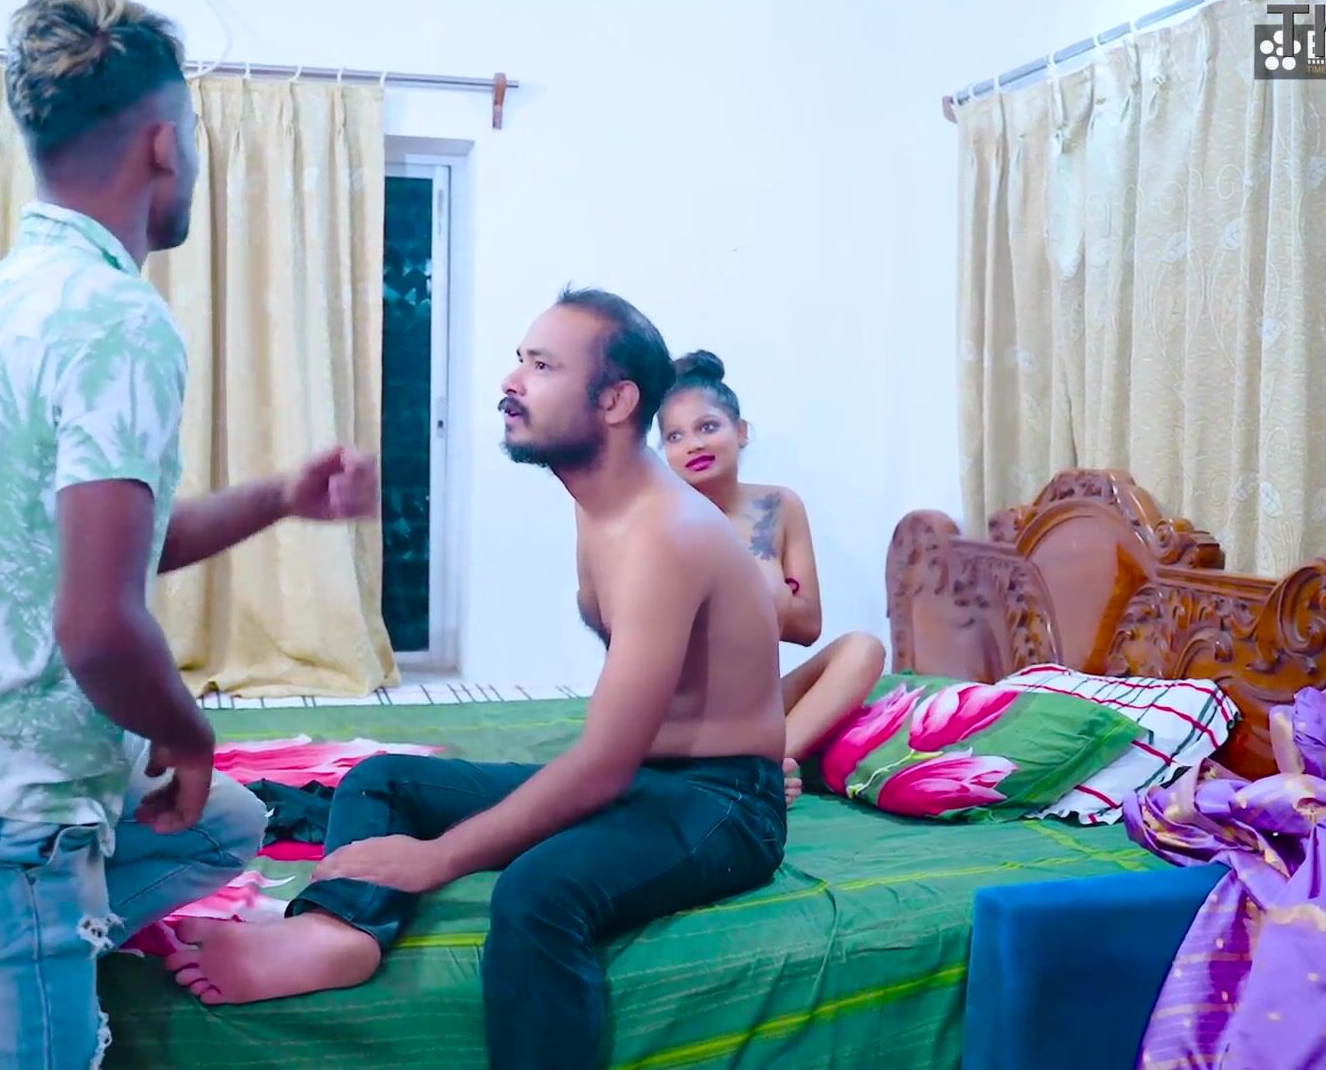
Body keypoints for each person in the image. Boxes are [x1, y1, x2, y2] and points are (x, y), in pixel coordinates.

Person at [0, 0, 378, 1066]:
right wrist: (188, 732)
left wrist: (279, 495)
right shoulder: (119, 320)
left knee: (225, 824)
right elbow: (95, 625)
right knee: (189, 789)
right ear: (165, 143)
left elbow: (100, 551)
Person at [163, 288, 789, 1069]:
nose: (511, 381)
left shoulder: (666, 534)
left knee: (538, 892)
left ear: (614, 401)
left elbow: (602, 766)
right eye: (521, 360)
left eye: (542, 366)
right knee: (383, 780)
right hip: (646, 781)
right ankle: (339, 930)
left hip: (725, 805)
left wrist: (437, 858)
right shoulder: (600, 503)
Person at [657, 350, 887, 804]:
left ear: (741, 431)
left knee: (864, 649)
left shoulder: (780, 506)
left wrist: (760, 592)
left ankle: (767, 765)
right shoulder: (662, 517)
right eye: (675, 436)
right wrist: (763, 591)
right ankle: (746, 772)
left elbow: (808, 626)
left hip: (757, 708)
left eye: (708, 427)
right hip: (684, 715)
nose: (693, 445)